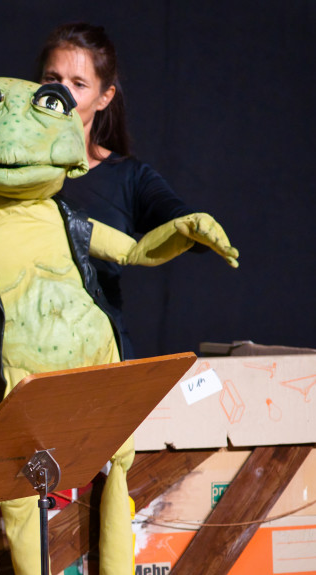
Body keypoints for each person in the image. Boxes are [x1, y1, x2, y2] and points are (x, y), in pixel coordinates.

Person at [35, 21, 205, 356]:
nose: (61, 94)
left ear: (104, 97)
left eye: (78, 84)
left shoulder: (129, 177)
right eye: (51, 79)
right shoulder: (6, 167)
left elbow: (180, 218)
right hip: (20, 353)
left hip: (97, 354)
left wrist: (197, 227)